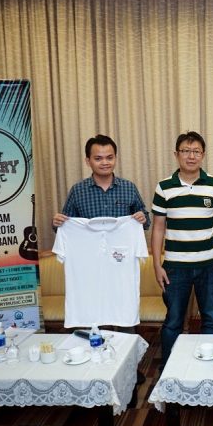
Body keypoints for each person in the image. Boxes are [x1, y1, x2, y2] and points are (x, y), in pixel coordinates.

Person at [53, 134, 150, 382]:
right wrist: (58, 223)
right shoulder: (78, 191)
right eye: (98, 158)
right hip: (89, 272)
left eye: (109, 157)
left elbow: (144, 221)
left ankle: (129, 370)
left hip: (120, 269)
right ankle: (92, 371)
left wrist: (141, 218)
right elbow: (66, 225)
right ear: (88, 160)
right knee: (91, 319)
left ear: (115, 158)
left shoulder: (128, 188)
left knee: (125, 319)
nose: (105, 162)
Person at [151, 131, 213, 366]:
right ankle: (169, 371)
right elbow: (158, 228)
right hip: (175, 267)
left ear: (203, 155)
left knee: (212, 318)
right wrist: (157, 265)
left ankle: (212, 369)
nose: (191, 156)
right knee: (173, 320)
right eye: (186, 151)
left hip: (209, 265)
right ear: (176, 154)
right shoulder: (164, 187)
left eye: (196, 151)